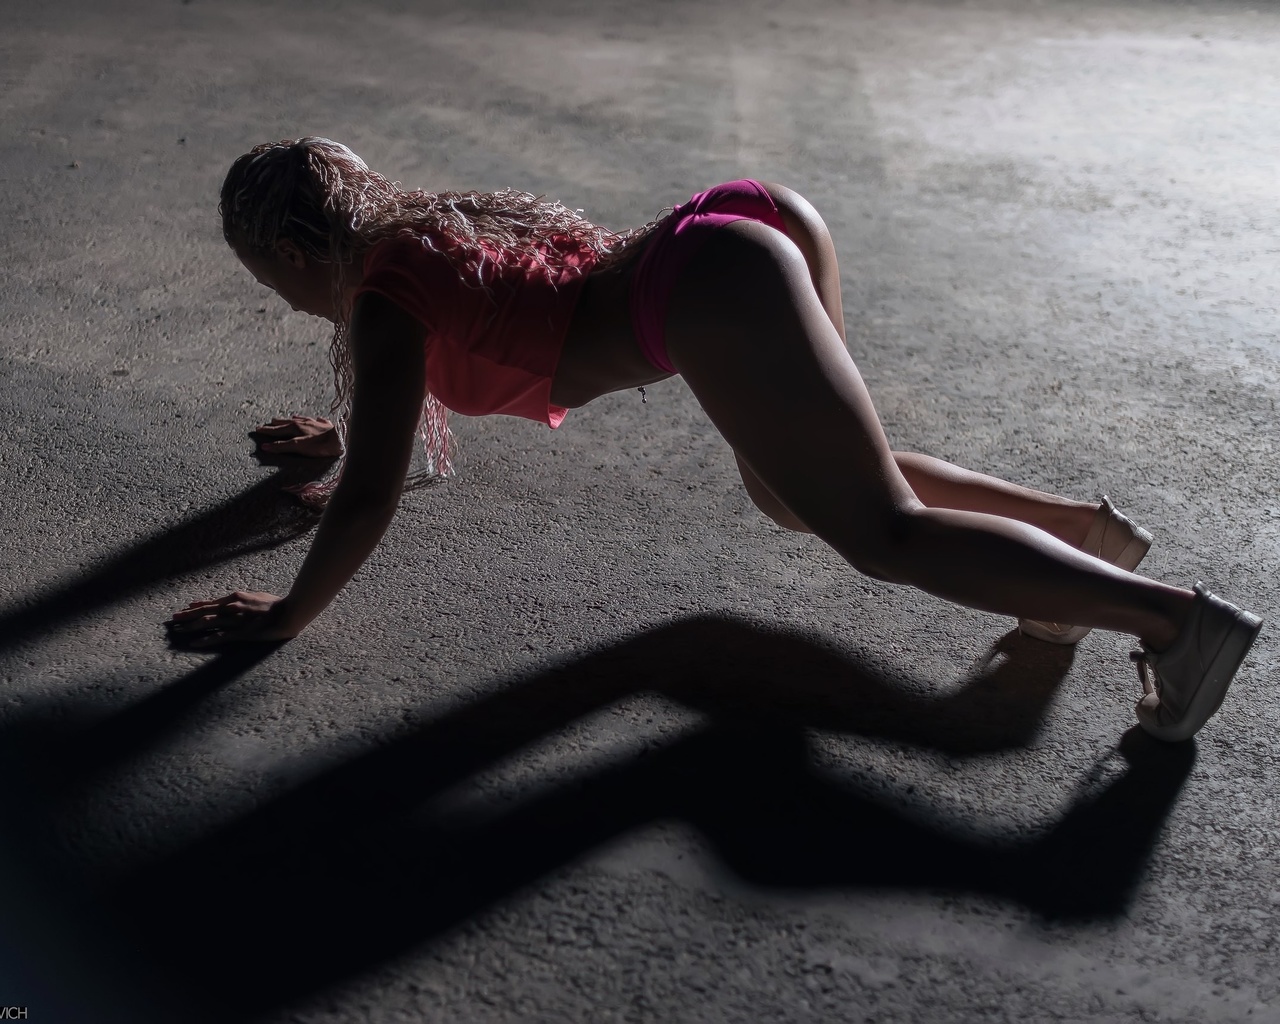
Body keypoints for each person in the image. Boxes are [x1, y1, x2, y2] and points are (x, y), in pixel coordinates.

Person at [169, 137, 1262, 743]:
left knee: (875, 529)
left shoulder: (378, 296)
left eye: (264, 276)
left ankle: (1174, 625)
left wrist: (285, 614)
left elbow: (371, 492)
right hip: (743, 221)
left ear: (288, 249)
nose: (277, 297)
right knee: (797, 488)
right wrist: (345, 428)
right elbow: (402, 409)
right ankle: (1081, 538)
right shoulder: (412, 232)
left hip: (713, 285)